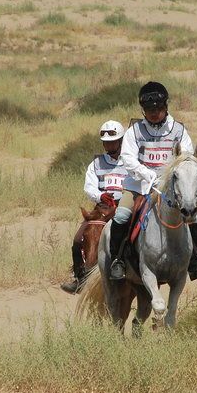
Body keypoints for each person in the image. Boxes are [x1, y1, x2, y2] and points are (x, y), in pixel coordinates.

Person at [107, 81, 197, 282]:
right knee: (122, 214)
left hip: (169, 187)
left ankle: (195, 263)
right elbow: (127, 158)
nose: (153, 113)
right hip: (139, 186)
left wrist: (169, 177)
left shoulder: (178, 130)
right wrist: (146, 174)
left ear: (166, 107)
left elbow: (186, 157)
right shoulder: (134, 130)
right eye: (149, 110)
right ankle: (118, 261)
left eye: (157, 109)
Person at [60, 120, 128, 294]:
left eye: (112, 142)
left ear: (120, 141)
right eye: (106, 142)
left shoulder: (130, 161)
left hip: (124, 205)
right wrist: (100, 196)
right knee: (77, 240)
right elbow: (89, 187)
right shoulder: (96, 164)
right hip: (101, 208)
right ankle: (80, 279)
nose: (108, 145)